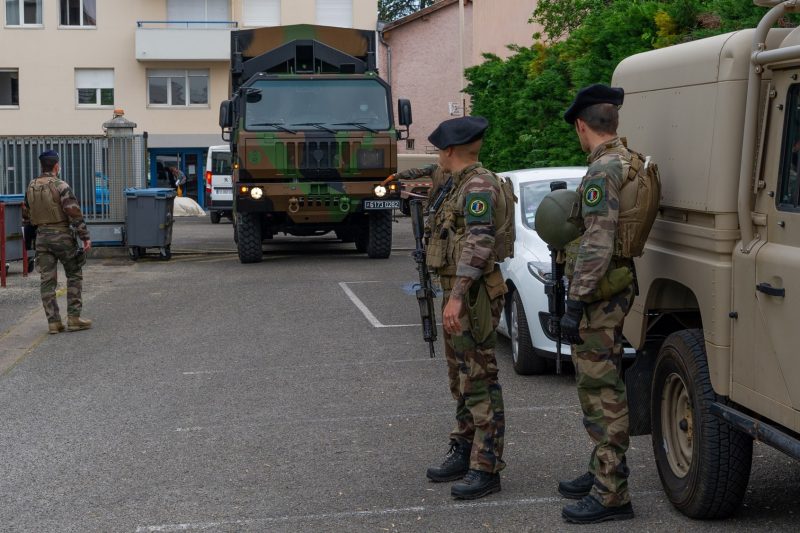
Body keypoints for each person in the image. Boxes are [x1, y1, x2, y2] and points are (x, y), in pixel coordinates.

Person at [557, 84, 636, 523]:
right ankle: (600, 470)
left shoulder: (603, 170)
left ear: (583, 125)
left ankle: (612, 494)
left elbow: (597, 241)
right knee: (604, 384)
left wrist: (575, 301)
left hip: (600, 297)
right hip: (615, 289)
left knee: (600, 390)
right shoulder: (627, 160)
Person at [424, 116, 508, 500]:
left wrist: (456, 296)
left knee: (479, 380)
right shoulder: (458, 184)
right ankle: (465, 447)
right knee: (461, 379)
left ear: (450, 151)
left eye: (439, 150)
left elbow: (479, 242)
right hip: (459, 294)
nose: (437, 156)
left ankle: (486, 466)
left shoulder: (478, 186)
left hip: (471, 297)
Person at [22, 150, 92, 334]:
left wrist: (30, 242)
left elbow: (26, 216)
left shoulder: (31, 186)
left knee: (47, 280)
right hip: (62, 236)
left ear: (42, 166)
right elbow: (74, 212)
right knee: (74, 273)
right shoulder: (61, 186)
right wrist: (85, 237)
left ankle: (53, 322)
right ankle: (74, 318)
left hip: (41, 238)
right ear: (56, 166)